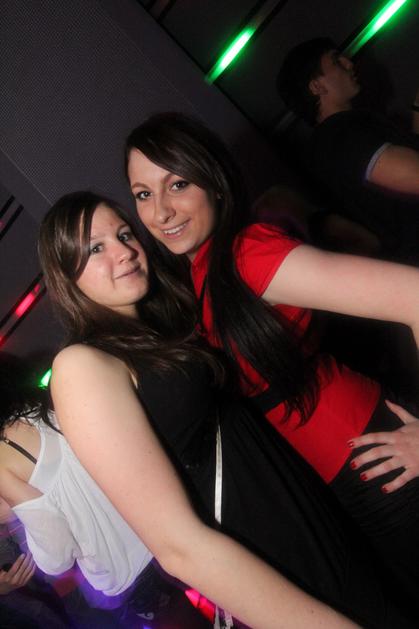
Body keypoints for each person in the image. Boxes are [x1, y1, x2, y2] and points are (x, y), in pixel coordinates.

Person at [34, 190, 415, 628]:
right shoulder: (80, 365)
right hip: (273, 565)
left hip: (318, 531)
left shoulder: (156, 330)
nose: (123, 252)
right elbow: (178, 547)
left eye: (124, 235)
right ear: (65, 274)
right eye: (94, 248)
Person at [125, 111, 419, 618]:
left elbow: (413, 294)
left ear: (213, 180)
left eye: (177, 184)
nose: (161, 211)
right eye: (143, 194)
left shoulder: (247, 255)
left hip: (379, 469)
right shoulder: (199, 275)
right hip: (340, 489)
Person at [0, 355, 211, 628]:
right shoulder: (46, 404)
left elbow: (58, 557)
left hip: (130, 568)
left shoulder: (3, 460)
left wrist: (15, 518)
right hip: (161, 523)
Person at [276, 37, 419, 265]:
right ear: (316, 86)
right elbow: (413, 175)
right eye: (336, 61)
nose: (349, 63)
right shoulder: (338, 134)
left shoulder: (333, 140)